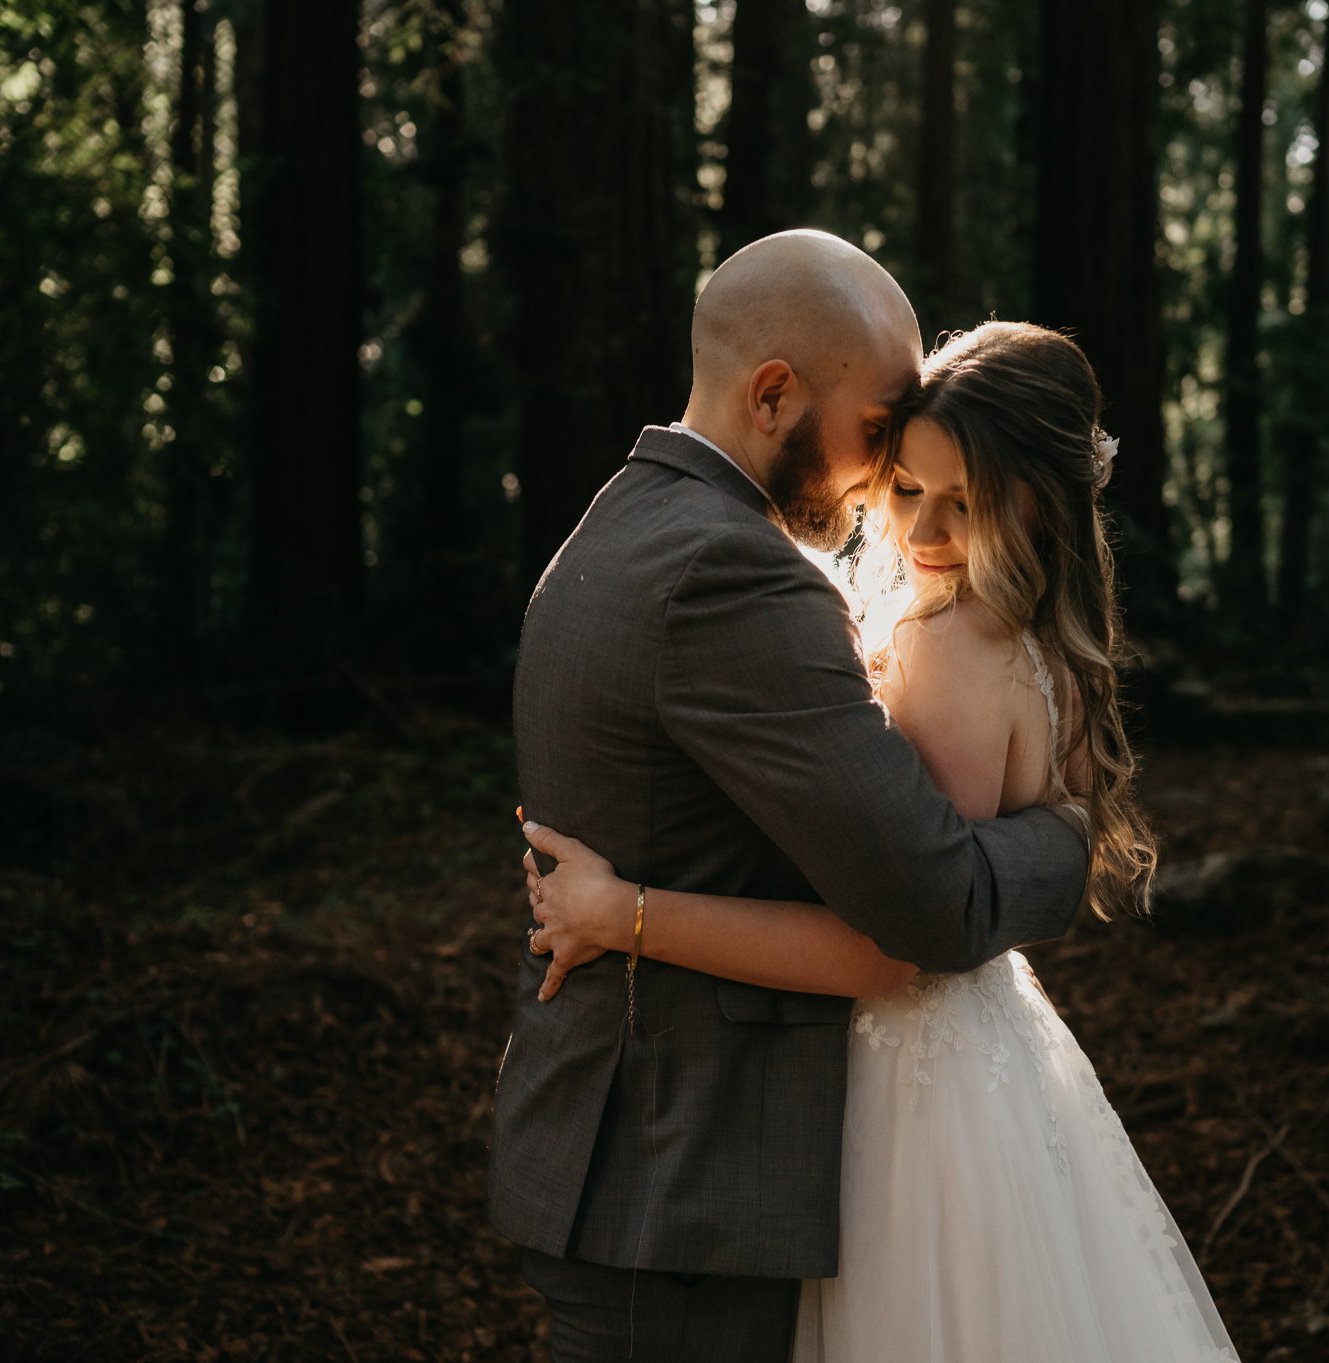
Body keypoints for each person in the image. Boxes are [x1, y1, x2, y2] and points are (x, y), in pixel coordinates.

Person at [523, 321, 1242, 1363]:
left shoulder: (943, 642)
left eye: (968, 500)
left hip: (909, 1077)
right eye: (905, 489)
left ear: (1038, 496)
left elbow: (893, 941)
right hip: (986, 1061)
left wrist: (623, 913)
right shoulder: (1034, 633)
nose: (925, 530)